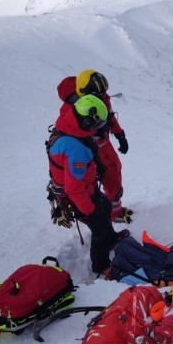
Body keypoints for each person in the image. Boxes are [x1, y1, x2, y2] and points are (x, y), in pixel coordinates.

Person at [46, 92, 128, 276]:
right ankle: (101, 266)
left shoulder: (69, 125)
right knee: (99, 226)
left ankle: (110, 237)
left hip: (84, 187)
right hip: (77, 195)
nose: (100, 128)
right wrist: (89, 211)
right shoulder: (76, 149)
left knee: (105, 206)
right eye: (97, 124)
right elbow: (73, 188)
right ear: (86, 122)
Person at [58, 70, 132, 223]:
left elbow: (110, 117)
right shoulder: (75, 109)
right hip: (88, 150)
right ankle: (110, 213)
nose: (103, 97)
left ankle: (113, 209)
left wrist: (120, 135)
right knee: (102, 180)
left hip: (102, 145)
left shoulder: (99, 98)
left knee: (114, 173)